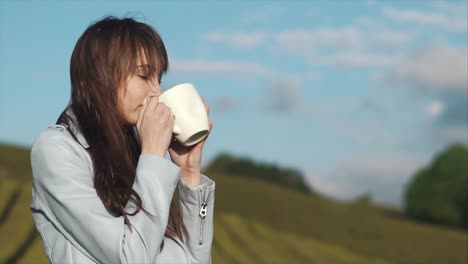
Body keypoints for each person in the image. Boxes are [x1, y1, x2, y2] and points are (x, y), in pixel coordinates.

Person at [30, 16, 215, 264]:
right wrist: (152, 156)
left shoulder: (138, 157)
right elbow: (130, 258)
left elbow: (196, 260)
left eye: (158, 79)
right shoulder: (57, 150)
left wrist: (189, 173)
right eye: (143, 76)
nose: (156, 93)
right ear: (100, 77)